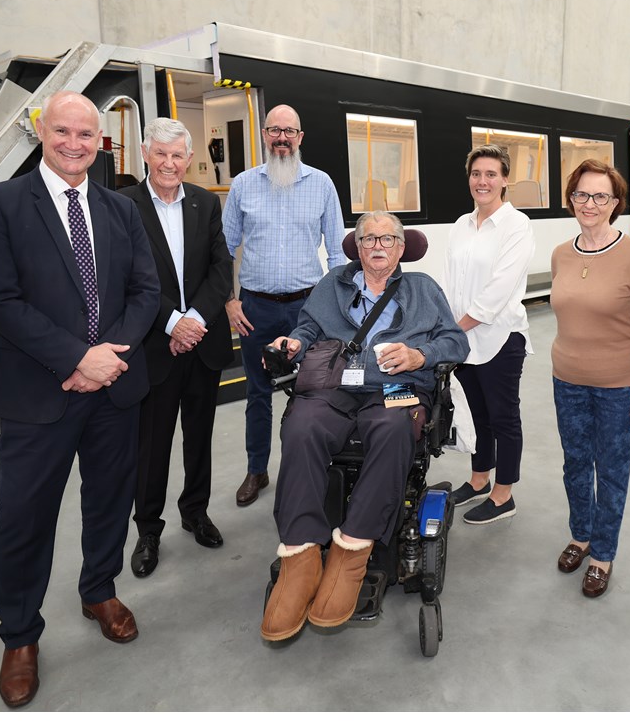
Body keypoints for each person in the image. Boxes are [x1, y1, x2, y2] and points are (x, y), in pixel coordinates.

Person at [0, 91, 159, 708]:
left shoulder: (119, 209)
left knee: (109, 498)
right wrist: (77, 359)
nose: (74, 143)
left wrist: (105, 361)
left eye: (86, 134)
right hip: (37, 393)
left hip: (114, 389)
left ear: (100, 141)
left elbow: (144, 291)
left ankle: (98, 588)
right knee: (23, 517)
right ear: (41, 134)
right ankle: (20, 635)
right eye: (62, 132)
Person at [259, 210, 469, 641]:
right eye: (368, 239)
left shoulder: (422, 288)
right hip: (334, 387)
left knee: (392, 431)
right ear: (356, 246)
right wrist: (292, 345)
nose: (377, 246)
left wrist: (419, 356)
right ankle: (300, 555)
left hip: (396, 389)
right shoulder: (332, 284)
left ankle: (351, 551)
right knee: (301, 425)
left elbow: (456, 341)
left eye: (388, 239)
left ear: (400, 247)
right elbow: (307, 329)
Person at [119, 118, 233, 574]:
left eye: (178, 155)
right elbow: (125, 276)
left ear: (189, 159)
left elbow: (221, 267)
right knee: (152, 444)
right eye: (160, 154)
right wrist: (171, 322)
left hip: (202, 342)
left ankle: (195, 511)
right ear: (145, 154)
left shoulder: (206, 203)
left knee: (200, 436)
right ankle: (147, 529)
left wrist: (197, 319)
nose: (169, 163)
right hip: (154, 345)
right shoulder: (123, 205)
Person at [222, 104, 346, 507]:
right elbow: (223, 250)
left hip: (307, 310)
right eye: (274, 129)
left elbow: (338, 254)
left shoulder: (322, 184)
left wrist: (337, 307)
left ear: (300, 138)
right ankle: (257, 470)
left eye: (289, 131)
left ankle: (311, 468)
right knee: (257, 395)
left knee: (313, 394)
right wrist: (229, 299)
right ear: (264, 134)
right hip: (256, 309)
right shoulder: (242, 185)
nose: (282, 137)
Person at [550, 160, 630, 597]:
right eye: (581, 194)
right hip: (567, 380)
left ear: (615, 203)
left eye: (600, 196)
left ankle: (602, 554)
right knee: (575, 463)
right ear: (571, 199)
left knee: (611, 470)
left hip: (619, 386)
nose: (589, 203)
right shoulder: (561, 253)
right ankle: (581, 536)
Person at [444, 145, 535, 525]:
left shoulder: (516, 225)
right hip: (465, 340)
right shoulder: (462, 225)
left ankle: (503, 494)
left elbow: (499, 289)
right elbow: (452, 282)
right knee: (477, 413)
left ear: (504, 180)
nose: (483, 181)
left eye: (491, 174)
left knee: (503, 418)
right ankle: (479, 479)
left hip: (500, 339)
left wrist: (454, 329)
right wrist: (448, 326)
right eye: (476, 174)